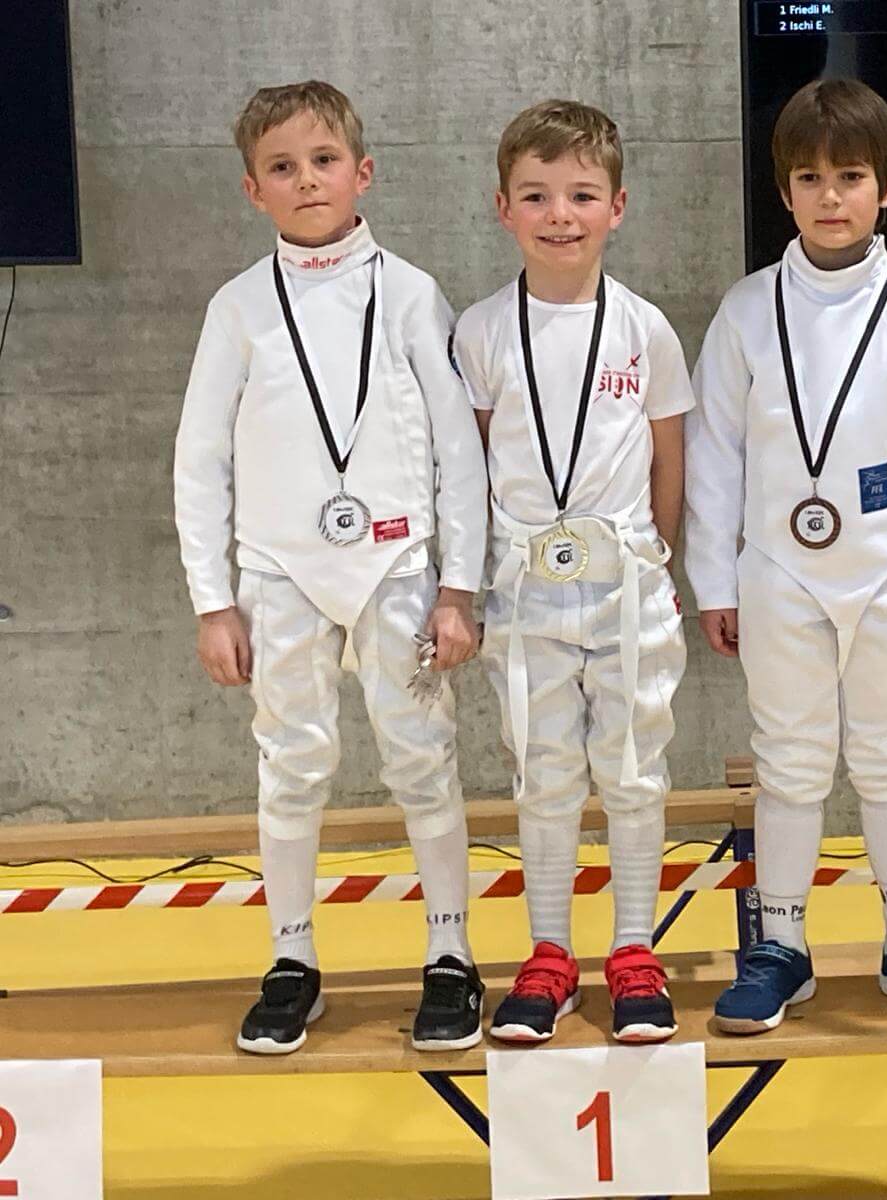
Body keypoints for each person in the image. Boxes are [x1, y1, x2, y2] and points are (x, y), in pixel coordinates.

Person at [173, 80, 488, 1055]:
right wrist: (213, 601)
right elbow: (199, 459)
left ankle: (450, 952)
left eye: (322, 161)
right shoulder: (237, 309)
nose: (306, 181)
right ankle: (292, 958)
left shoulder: (412, 293)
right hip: (280, 569)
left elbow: (459, 452)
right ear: (251, 189)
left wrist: (459, 587)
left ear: (363, 172)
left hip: (396, 562)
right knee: (291, 762)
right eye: (282, 167)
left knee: (421, 755)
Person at [687, 79, 887, 1035]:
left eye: (850, 177)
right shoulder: (744, 312)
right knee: (789, 763)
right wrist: (714, 581)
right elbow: (714, 456)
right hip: (779, 572)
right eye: (810, 179)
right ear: (784, 191)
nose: (830, 197)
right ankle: (781, 947)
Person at [451, 100, 694, 1045]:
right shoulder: (481, 332)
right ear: (501, 207)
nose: (561, 215)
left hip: (627, 587)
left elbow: (668, 460)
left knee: (632, 772)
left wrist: (656, 563)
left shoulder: (645, 328)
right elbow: (469, 468)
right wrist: (470, 585)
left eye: (583, 195)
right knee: (544, 774)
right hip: (524, 591)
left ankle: (634, 949)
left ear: (617, 206)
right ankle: (548, 953)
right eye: (537, 195)